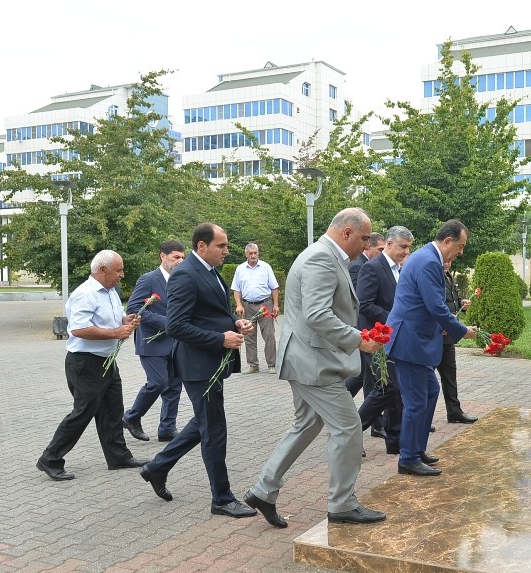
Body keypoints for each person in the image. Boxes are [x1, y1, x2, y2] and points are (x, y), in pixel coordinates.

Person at [245, 208, 387, 527]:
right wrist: (359, 340)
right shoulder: (321, 258)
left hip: (308, 358)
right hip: (312, 362)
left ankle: (263, 490)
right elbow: (317, 315)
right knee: (349, 427)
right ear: (347, 233)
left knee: (306, 424)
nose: (367, 246)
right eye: (365, 238)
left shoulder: (326, 256)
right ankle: (341, 504)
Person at [139, 223, 257, 518]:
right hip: (197, 365)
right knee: (214, 429)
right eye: (222, 246)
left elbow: (210, 312)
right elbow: (176, 325)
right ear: (202, 246)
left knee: (205, 422)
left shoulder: (210, 271)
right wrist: (220, 339)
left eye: (227, 246)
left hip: (210, 363)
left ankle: (157, 467)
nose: (227, 251)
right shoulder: (185, 274)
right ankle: (222, 498)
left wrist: (234, 323)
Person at [36, 250, 147, 480]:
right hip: (85, 362)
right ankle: (50, 458)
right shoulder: (85, 294)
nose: (122, 275)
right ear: (103, 270)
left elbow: (113, 320)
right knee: (82, 413)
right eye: (119, 270)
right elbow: (78, 329)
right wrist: (116, 332)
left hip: (107, 360)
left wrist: (126, 322)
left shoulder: (110, 292)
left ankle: (118, 456)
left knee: (112, 409)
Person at [386, 220, 477, 477]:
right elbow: (436, 306)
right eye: (459, 246)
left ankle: (417, 448)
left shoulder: (425, 257)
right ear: (447, 241)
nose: (460, 252)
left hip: (413, 338)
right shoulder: (428, 262)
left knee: (430, 391)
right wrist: (462, 330)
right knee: (416, 401)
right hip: (408, 341)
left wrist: (443, 326)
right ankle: (408, 458)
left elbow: (426, 306)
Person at [356, 226, 414, 454]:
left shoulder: (400, 269)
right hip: (375, 338)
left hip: (394, 338)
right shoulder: (372, 268)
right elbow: (365, 304)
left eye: (408, 247)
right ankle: (350, 431)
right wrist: (394, 319)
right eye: (403, 247)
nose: (406, 252)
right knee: (387, 387)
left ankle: (395, 440)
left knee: (395, 389)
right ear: (388, 244)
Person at [121, 240, 186, 443]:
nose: (180, 261)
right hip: (152, 342)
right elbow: (133, 309)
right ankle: (131, 417)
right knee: (158, 382)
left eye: (182, 258)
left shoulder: (182, 280)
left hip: (176, 342)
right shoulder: (149, 279)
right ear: (163, 256)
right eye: (176, 257)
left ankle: (167, 428)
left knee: (174, 385)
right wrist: (167, 323)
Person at [438, 258, 478, 424]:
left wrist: (461, 302)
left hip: (448, 337)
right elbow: (437, 305)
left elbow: (452, 299)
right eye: (444, 262)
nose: (447, 264)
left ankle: (454, 412)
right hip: (437, 334)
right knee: (427, 380)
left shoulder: (448, 276)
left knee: (450, 375)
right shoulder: (434, 277)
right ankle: (423, 416)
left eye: (450, 262)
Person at [345, 232, 384, 398]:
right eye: (380, 249)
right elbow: (358, 301)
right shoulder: (358, 265)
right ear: (369, 247)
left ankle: (374, 420)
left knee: (366, 375)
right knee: (371, 376)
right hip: (362, 326)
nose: (383, 253)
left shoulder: (370, 264)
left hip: (369, 327)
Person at [231, 243, 280, 374]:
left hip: (265, 305)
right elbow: (236, 289)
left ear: (258, 253)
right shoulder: (240, 269)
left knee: (269, 335)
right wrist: (239, 304)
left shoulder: (266, 267)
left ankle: (272, 364)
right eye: (250, 253)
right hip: (247, 305)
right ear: (246, 254)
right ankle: (253, 365)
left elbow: (274, 288)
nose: (253, 255)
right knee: (249, 336)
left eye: (255, 253)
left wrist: (275, 305)